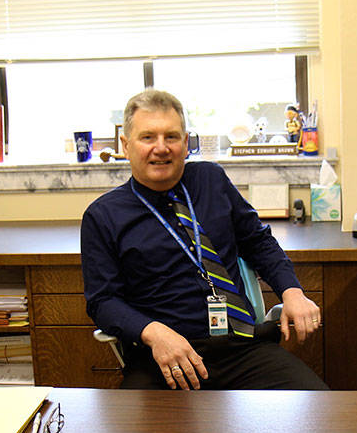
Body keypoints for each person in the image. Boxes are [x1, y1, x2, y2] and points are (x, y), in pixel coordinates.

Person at [81, 90, 329, 391]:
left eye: (171, 137)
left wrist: (292, 292)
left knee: (317, 417)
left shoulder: (212, 180)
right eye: (148, 137)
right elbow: (102, 302)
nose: (161, 148)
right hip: (164, 357)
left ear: (186, 143)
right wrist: (154, 333)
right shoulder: (103, 215)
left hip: (243, 348)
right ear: (126, 145)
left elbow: (258, 241)